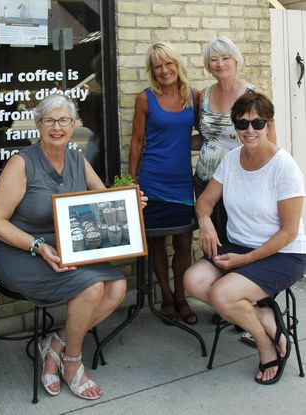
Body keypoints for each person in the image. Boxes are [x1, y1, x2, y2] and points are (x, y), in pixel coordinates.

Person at [0, 94, 146, 400]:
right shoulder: (22, 163)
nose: (56, 127)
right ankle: (73, 362)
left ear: (73, 126)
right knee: (92, 288)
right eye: (49, 120)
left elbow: (103, 200)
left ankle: (55, 343)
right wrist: (37, 246)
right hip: (23, 252)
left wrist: (130, 202)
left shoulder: (77, 159)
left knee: (116, 286)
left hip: (67, 249)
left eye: (63, 121)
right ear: (38, 125)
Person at [184, 91, 306, 385]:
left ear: (269, 124)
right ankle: (263, 313)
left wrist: (246, 259)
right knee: (193, 280)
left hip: (283, 253)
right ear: (234, 126)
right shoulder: (231, 159)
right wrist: (205, 222)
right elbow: (205, 202)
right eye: (242, 123)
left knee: (222, 294)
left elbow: (289, 232)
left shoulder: (284, 166)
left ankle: (268, 346)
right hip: (238, 244)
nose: (249, 130)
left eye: (257, 123)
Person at [129, 41, 199, 325]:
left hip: (182, 183)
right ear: (152, 71)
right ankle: (167, 297)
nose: (163, 70)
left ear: (177, 64)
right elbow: (136, 142)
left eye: (168, 63)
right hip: (152, 182)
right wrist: (131, 183)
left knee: (183, 244)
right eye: (157, 66)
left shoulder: (194, 97)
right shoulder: (145, 98)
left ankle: (182, 296)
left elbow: (205, 135)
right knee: (157, 244)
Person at [194, 36, 276, 241]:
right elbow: (205, 137)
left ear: (236, 60)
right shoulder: (204, 94)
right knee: (212, 241)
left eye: (226, 57)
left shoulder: (252, 94)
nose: (220, 64)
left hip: (238, 182)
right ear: (207, 64)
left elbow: (270, 142)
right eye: (214, 59)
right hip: (205, 181)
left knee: (238, 240)